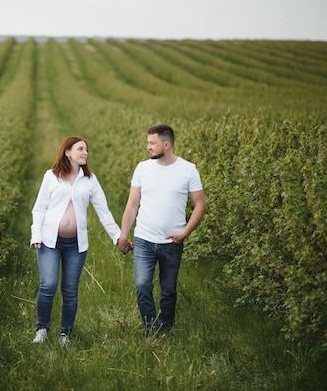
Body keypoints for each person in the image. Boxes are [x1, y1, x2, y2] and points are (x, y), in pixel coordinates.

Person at [30, 136, 123, 345]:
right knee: (48, 285)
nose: (85, 153)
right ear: (67, 152)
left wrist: (117, 236)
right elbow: (39, 208)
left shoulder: (90, 180)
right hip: (49, 242)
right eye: (80, 149)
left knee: (70, 290)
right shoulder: (51, 177)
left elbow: (104, 212)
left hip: (76, 245)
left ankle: (65, 334)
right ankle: (42, 329)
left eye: (86, 150)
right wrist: (36, 234)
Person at [117, 124, 206, 336]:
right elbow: (132, 205)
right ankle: (151, 328)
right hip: (144, 240)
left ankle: (165, 327)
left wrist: (185, 233)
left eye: (152, 143)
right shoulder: (142, 168)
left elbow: (200, 205)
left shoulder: (188, 170)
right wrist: (123, 234)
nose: (148, 147)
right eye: (148, 143)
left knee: (168, 290)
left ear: (166, 145)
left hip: (172, 242)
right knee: (142, 285)